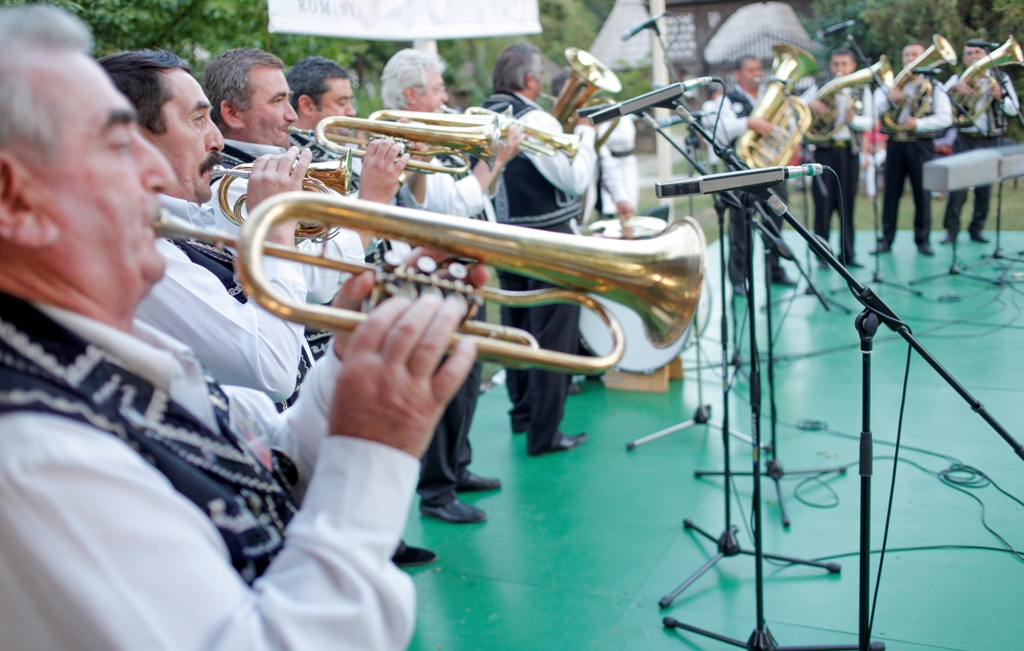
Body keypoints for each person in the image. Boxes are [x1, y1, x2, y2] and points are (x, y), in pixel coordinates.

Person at [0, 5, 480, 648]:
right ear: (16, 201)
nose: (153, 177)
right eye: (118, 146)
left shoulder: (91, 342)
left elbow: (265, 452)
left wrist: (352, 365)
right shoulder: (36, 455)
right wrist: (376, 449)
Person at [98, 49, 311, 405]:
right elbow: (272, 372)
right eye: (198, 119)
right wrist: (276, 230)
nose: (218, 140)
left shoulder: (188, 222)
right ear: (134, 139)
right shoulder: (135, 249)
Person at [380, 48, 524, 523]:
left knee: (467, 377)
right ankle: (437, 491)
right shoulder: (405, 139)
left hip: (463, 268)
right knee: (445, 379)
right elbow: (451, 205)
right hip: (434, 275)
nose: (447, 99)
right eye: (438, 90)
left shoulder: (439, 134)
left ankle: (457, 467)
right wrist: (495, 161)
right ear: (412, 95)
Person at [479, 44, 597, 456]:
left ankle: (523, 415)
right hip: (550, 242)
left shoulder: (479, 113)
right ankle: (545, 434)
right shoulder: (538, 118)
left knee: (518, 329)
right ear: (529, 82)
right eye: (541, 77)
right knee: (553, 336)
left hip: (505, 238)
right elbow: (576, 178)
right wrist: (585, 132)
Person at [716, 54, 796, 294]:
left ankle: (775, 270)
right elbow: (720, 132)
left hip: (771, 170)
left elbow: (785, 127)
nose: (756, 74)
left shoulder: (771, 98)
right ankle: (739, 278)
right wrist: (749, 124)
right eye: (750, 70)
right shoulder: (728, 100)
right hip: (741, 172)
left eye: (758, 69)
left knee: (775, 221)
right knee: (740, 226)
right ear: (738, 74)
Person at [873, 42, 954, 255]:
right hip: (896, 144)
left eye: (915, 54)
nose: (911, 58)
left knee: (922, 193)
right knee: (891, 194)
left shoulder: (935, 85)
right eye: (907, 54)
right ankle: (886, 240)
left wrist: (919, 124)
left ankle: (923, 240)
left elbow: (946, 117)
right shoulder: (892, 84)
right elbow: (876, 109)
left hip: (921, 145)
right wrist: (890, 101)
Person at [941, 39, 1020, 244]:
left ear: (987, 55)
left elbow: (1014, 109)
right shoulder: (958, 78)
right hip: (965, 138)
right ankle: (952, 229)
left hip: (989, 139)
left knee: (984, 188)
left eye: (977, 52)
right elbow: (939, 102)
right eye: (969, 53)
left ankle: (977, 228)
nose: (974, 57)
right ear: (964, 58)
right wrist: (953, 89)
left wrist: (1000, 95)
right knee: (957, 187)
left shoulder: (1000, 79)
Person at [802, 48, 874, 268]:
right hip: (823, 151)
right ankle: (821, 254)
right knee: (822, 205)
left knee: (847, 205)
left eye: (844, 64)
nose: (839, 69)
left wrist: (854, 121)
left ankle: (848, 254)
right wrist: (809, 105)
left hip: (848, 153)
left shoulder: (862, 90)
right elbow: (798, 107)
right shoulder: (820, 87)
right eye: (835, 64)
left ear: (853, 66)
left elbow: (871, 121)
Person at [287, 55, 358, 163]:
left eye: (350, 102)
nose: (352, 112)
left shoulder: (345, 144)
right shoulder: (294, 158)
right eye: (342, 103)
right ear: (307, 106)